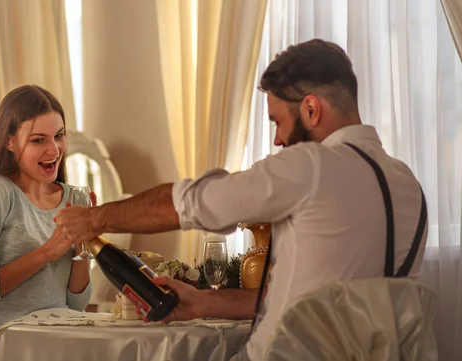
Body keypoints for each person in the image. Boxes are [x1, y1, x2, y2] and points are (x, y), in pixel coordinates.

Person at [53, 39, 428, 360]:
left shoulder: (310, 165)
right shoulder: (409, 188)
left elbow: (185, 204)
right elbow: (321, 308)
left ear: (311, 109)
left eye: (278, 122)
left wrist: (92, 220)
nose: (278, 140)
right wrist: (205, 302)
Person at [0, 85, 92, 361]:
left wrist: (84, 242)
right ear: (9, 141)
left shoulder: (75, 198)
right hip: (0, 352)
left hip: (57, 350)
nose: (54, 149)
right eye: (38, 140)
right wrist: (45, 254)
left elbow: (76, 304)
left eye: (59, 136)